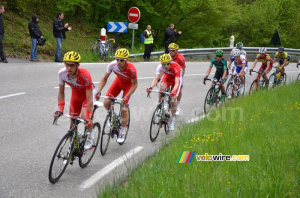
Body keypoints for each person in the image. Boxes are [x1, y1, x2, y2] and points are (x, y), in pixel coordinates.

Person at [54, 51, 95, 150]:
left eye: (72, 65)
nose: (69, 67)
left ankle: (91, 136)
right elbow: (61, 93)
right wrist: (60, 109)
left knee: (85, 117)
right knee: (72, 123)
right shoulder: (62, 74)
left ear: (77, 65)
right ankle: (72, 148)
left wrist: (88, 116)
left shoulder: (85, 75)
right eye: (67, 64)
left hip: (87, 95)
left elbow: (89, 98)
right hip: (76, 95)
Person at [96, 48, 138, 143]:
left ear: (126, 60)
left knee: (124, 108)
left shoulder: (131, 69)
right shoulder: (112, 65)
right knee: (106, 103)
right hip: (118, 83)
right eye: (117, 59)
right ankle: (112, 117)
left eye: (122, 60)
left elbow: (135, 84)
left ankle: (122, 131)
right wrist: (99, 91)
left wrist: (126, 96)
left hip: (129, 86)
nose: (119, 62)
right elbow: (104, 78)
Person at [146, 54, 182, 131]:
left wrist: (173, 92)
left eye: (167, 64)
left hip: (176, 79)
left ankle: (173, 118)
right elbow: (156, 79)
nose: (165, 66)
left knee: (173, 99)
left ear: (170, 62)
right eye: (163, 64)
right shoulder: (160, 67)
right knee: (161, 88)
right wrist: (150, 87)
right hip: (168, 77)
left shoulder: (176, 67)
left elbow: (177, 82)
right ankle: (159, 105)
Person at [168, 43, 185, 115]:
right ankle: (166, 102)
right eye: (169, 50)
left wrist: (180, 79)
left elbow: (183, 70)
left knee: (179, 88)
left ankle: (177, 105)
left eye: (173, 50)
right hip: (169, 74)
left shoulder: (181, 58)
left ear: (176, 51)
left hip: (178, 75)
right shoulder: (167, 57)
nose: (171, 52)